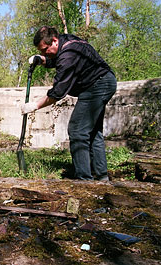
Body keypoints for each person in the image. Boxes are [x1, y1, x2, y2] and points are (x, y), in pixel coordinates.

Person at [21, 26, 117, 181]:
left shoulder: (68, 55)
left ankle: (84, 180)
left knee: (77, 129)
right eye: (41, 51)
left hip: (97, 86)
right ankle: (102, 176)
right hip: (104, 81)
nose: (43, 53)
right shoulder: (67, 41)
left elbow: (58, 92)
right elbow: (56, 58)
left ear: (54, 41)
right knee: (93, 132)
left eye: (45, 50)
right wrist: (42, 60)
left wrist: (35, 105)